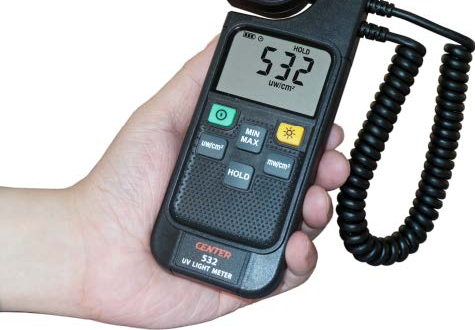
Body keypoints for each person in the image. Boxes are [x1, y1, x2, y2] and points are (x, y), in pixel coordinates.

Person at [0, 36, 350, 329]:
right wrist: (89, 241)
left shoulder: (243, 42)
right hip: (174, 236)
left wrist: (89, 247)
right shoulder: (238, 41)